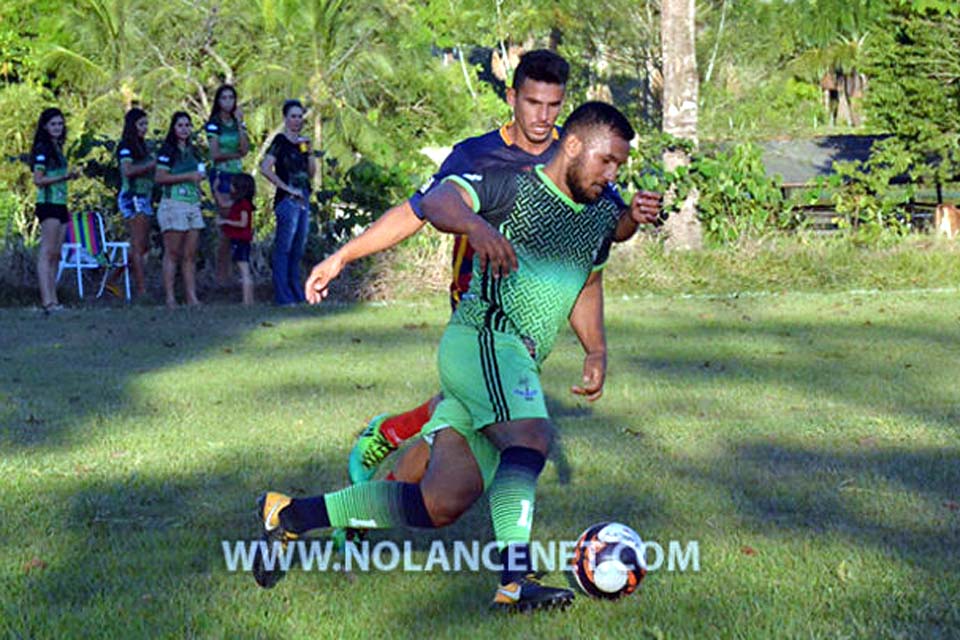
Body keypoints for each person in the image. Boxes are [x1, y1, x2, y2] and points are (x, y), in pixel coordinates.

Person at [255, 102, 654, 611]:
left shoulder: (599, 211)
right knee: (530, 436)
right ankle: (515, 580)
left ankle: (289, 517)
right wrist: (474, 229)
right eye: (606, 161)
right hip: (485, 338)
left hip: (512, 361)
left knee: (440, 502)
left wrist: (596, 347)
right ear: (573, 145)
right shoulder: (512, 186)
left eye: (619, 165)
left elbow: (594, 267)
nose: (612, 173)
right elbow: (435, 202)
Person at [304, 50, 658, 489]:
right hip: (479, 303)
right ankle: (387, 479)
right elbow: (417, 211)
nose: (544, 116)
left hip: (534, 316)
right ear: (511, 97)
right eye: (533, 103)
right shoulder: (476, 155)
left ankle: (376, 477)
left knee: (462, 420)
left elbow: (605, 230)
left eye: (553, 106)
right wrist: (342, 256)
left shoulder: (579, 154)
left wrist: (632, 218)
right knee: (481, 412)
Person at [260, 99, 315, 306]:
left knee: (297, 248)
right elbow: (265, 167)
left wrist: (309, 153)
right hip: (287, 200)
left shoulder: (302, 143)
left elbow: (310, 173)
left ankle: (296, 292)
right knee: (283, 248)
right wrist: (286, 187)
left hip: (303, 198)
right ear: (285, 119)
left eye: (300, 116)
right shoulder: (279, 142)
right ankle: (282, 295)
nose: (297, 120)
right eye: (293, 116)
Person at [31, 107, 80, 313]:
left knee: (56, 254)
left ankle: (54, 300)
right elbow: (38, 180)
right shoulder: (42, 149)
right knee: (47, 252)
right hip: (48, 204)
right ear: (45, 126)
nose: (57, 128)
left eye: (60, 124)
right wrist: (64, 177)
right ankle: (47, 301)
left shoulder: (57, 148)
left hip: (61, 204)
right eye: (53, 124)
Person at [154, 111, 205, 309]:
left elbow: (198, 175)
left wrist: (198, 183)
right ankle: (170, 298)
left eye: (187, 125)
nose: (184, 129)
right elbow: (160, 177)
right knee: (172, 252)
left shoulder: (193, 151)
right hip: (173, 203)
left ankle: (191, 297)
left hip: (192, 203)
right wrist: (187, 176)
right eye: (180, 125)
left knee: (190, 254)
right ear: (173, 128)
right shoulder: (167, 151)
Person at [205, 85, 250, 285]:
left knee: (240, 224)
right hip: (222, 175)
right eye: (224, 98)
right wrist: (235, 154)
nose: (228, 101)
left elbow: (245, 148)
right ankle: (220, 275)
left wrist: (240, 123)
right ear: (218, 101)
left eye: (231, 97)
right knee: (226, 223)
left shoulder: (236, 122)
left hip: (238, 176)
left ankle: (232, 273)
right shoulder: (214, 124)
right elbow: (214, 153)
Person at [117, 108, 157, 298]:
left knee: (144, 246)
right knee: (138, 245)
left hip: (145, 196)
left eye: (146, 124)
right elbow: (128, 170)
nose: (145, 128)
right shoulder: (126, 146)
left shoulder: (143, 145)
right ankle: (141, 290)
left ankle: (111, 280)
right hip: (133, 197)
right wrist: (152, 164)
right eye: (141, 124)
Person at [216, 172, 256, 305]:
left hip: (241, 239)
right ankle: (248, 299)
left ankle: (247, 300)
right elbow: (222, 203)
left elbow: (243, 223)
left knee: (244, 269)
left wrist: (225, 222)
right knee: (243, 269)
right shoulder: (238, 203)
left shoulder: (243, 204)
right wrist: (216, 189)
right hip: (239, 239)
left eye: (233, 185)